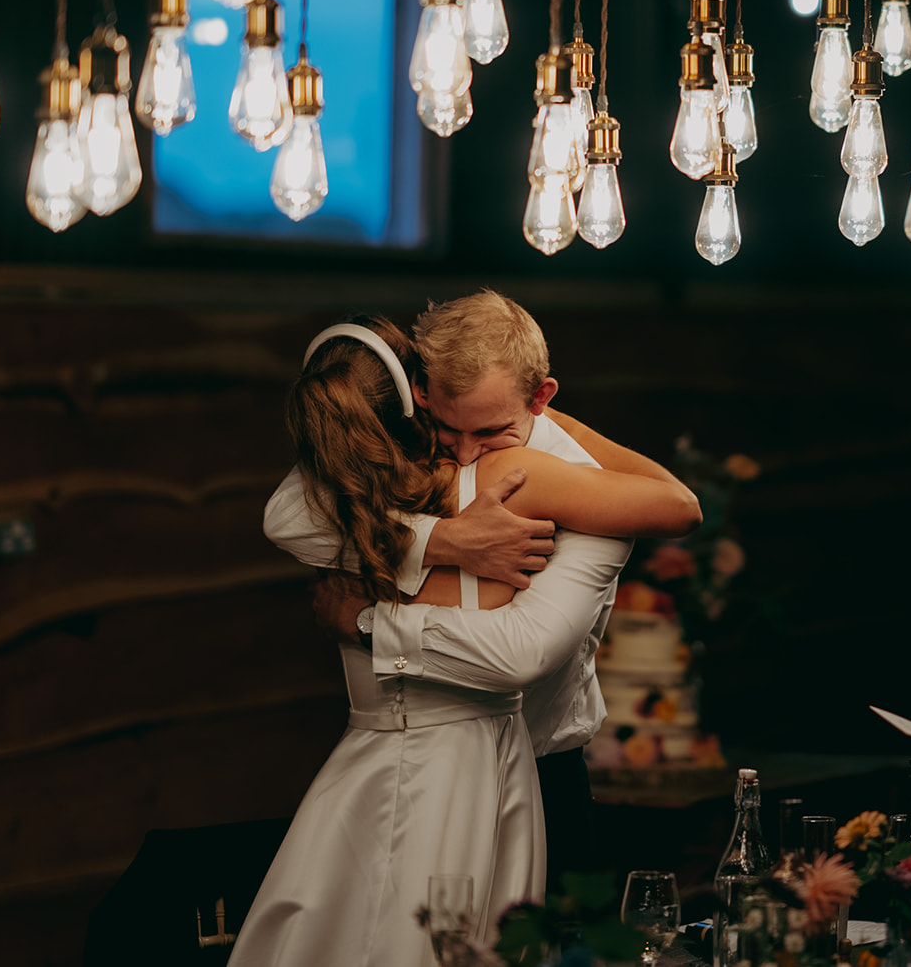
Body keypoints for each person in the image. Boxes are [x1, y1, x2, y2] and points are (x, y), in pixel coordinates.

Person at [233, 315, 697, 967]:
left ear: (542, 399)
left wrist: (369, 622)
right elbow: (283, 514)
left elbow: (678, 510)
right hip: (441, 761)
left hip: (542, 770)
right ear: (420, 395)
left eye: (490, 431)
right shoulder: (397, 476)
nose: (467, 452)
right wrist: (442, 541)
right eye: (447, 428)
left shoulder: (554, 480)